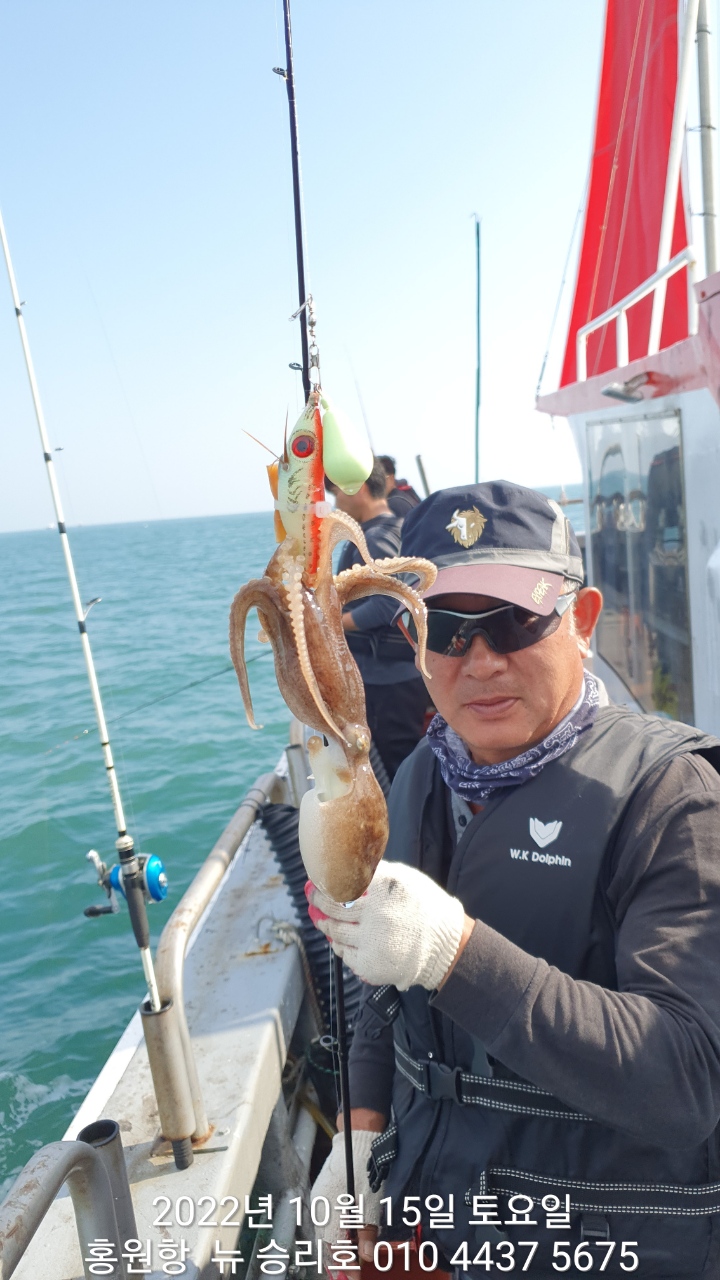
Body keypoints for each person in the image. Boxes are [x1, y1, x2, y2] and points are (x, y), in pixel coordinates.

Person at [309, 480, 720, 1279]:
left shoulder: (674, 798)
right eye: (447, 630)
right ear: (412, 639)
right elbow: (383, 984)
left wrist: (453, 953)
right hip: (444, 1217)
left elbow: (685, 1082)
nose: (482, 661)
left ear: (584, 621)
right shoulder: (422, 773)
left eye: (515, 621)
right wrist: (361, 1142)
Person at [325, 457, 429, 781]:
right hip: (399, 676)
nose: (336, 503)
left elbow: (387, 604)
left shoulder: (374, 538)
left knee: (397, 768)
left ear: (356, 489)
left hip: (387, 682)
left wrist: (331, 622)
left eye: (336, 493)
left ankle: (407, 815)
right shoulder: (397, 527)